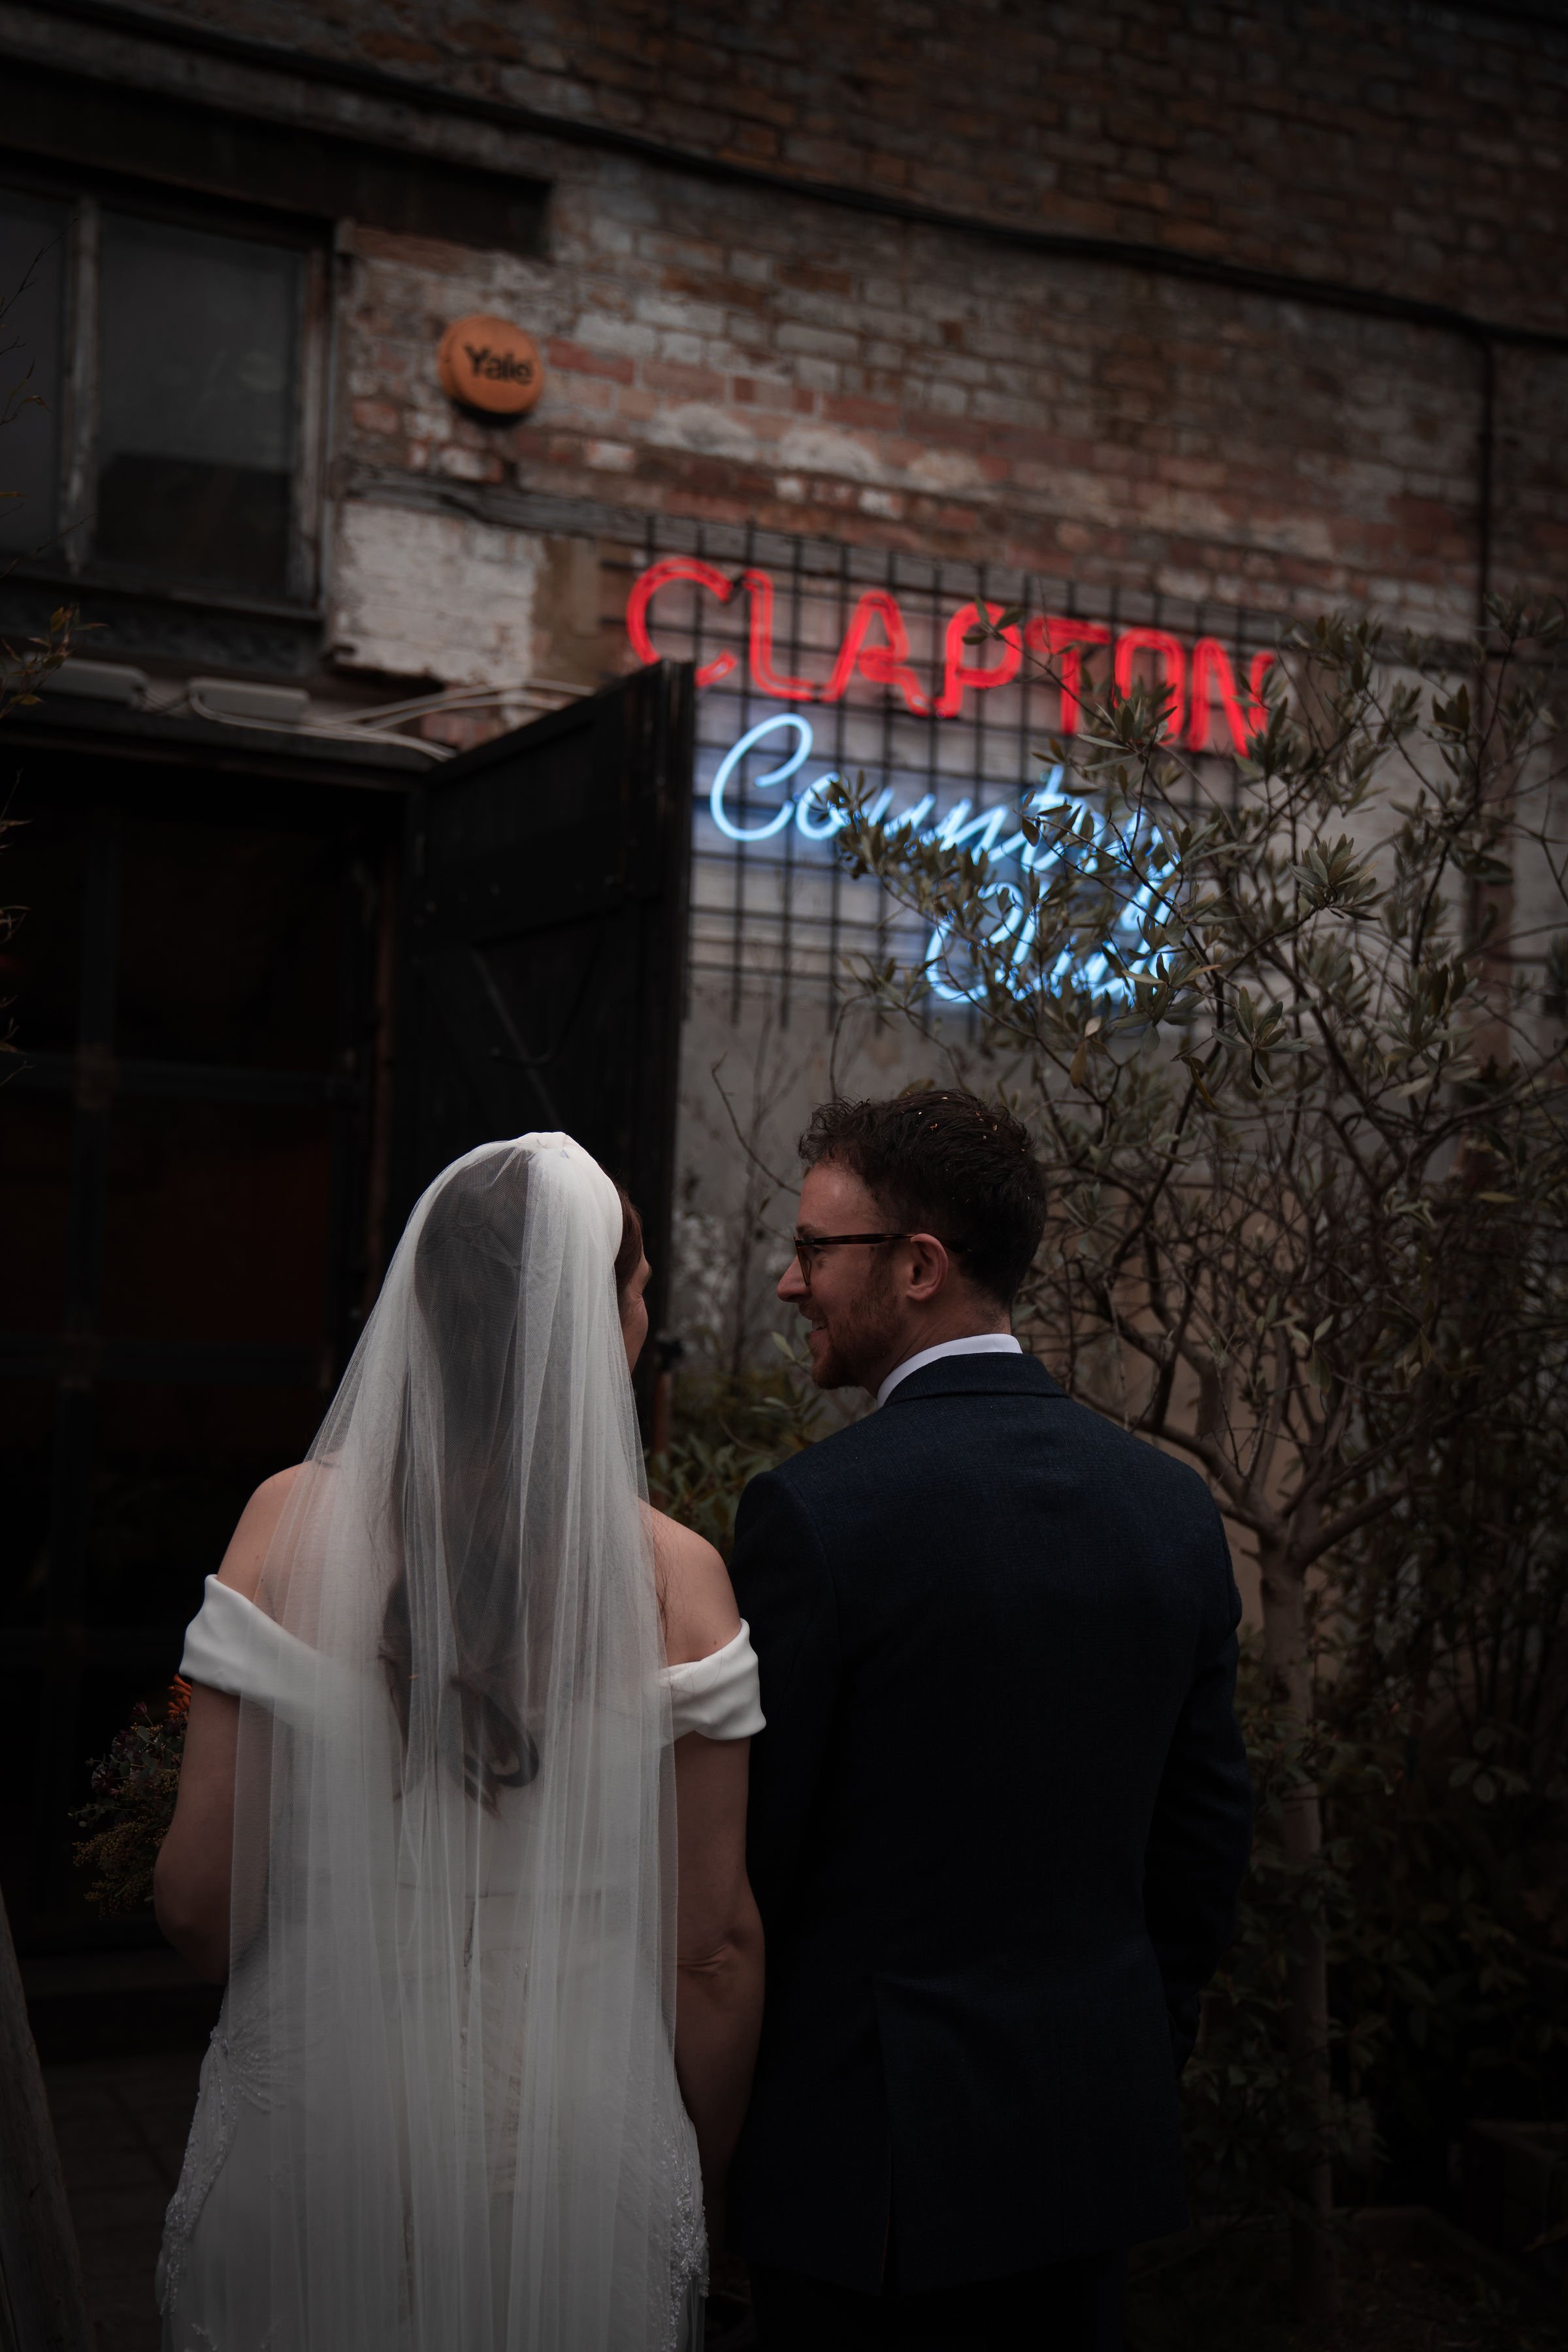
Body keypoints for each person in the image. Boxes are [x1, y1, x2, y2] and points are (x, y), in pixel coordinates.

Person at [152, 1134, 764, 2352]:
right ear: (603, 1321)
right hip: (578, 2164)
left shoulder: (286, 1526)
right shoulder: (681, 1586)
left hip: (318, 2136)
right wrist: (709, 2161)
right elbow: (712, 1952)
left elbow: (200, 1899)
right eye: (640, 1287)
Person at [728, 1090, 1253, 2352]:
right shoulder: (1172, 1512)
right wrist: (1126, 2045)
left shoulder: (815, 1515)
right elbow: (1202, 1852)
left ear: (919, 1268)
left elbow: (754, 1868)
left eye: (814, 1250)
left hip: (867, 2176)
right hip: (1087, 2152)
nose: (789, 1284)